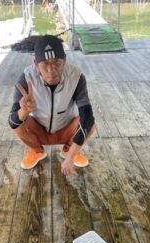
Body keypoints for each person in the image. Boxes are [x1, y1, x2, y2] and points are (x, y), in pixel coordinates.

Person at [8, 35, 96, 176]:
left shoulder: (76, 77)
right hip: (39, 131)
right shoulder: (26, 78)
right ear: (36, 64)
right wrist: (24, 111)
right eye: (45, 64)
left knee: (90, 124)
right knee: (19, 123)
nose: (51, 69)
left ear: (65, 60)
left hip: (65, 130)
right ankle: (37, 151)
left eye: (57, 63)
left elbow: (88, 117)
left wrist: (71, 157)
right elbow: (12, 122)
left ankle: (69, 149)